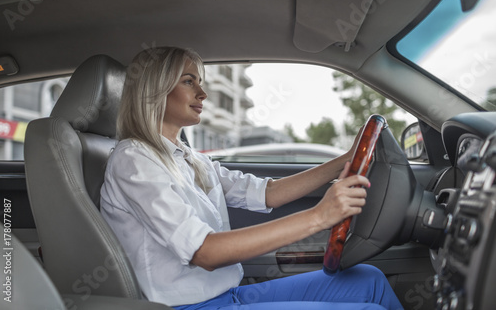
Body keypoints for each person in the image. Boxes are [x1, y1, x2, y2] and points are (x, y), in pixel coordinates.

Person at [100, 46, 403, 310]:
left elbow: (267, 193)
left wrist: (344, 162)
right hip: (188, 307)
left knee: (369, 281)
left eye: (200, 83)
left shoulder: (190, 158)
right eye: (189, 82)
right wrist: (319, 216)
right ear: (155, 89)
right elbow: (205, 252)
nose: (202, 94)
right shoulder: (134, 161)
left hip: (229, 295)